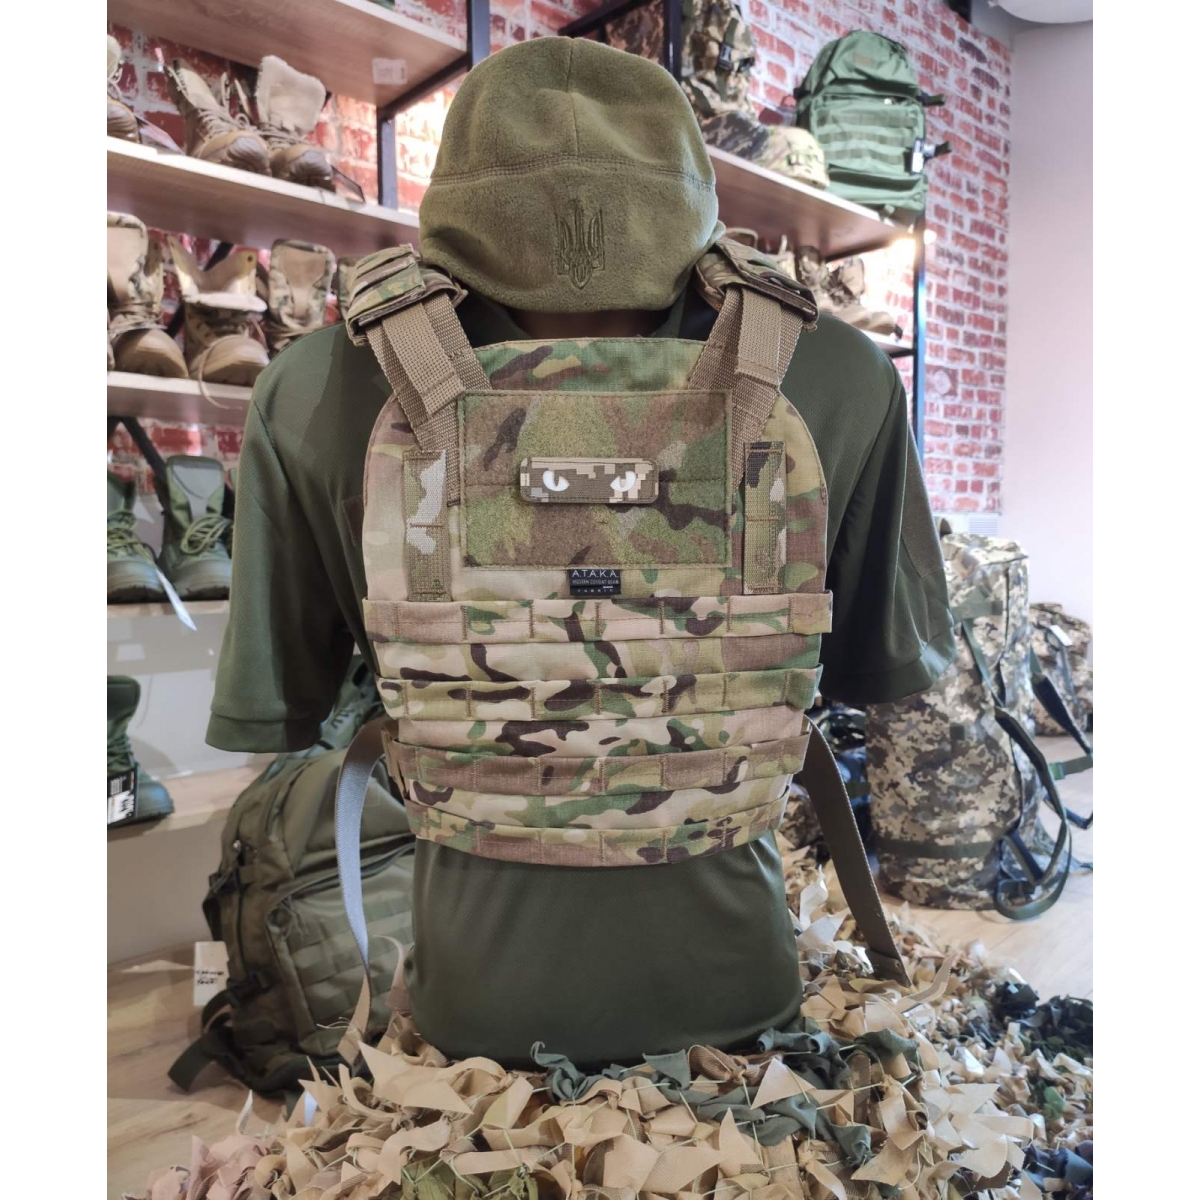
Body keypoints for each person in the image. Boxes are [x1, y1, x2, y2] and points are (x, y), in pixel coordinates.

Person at [207, 36, 954, 1068]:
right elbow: (878, 673)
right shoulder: (841, 373)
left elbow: (292, 715)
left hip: (475, 1017)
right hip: (740, 1007)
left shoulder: (311, 388)